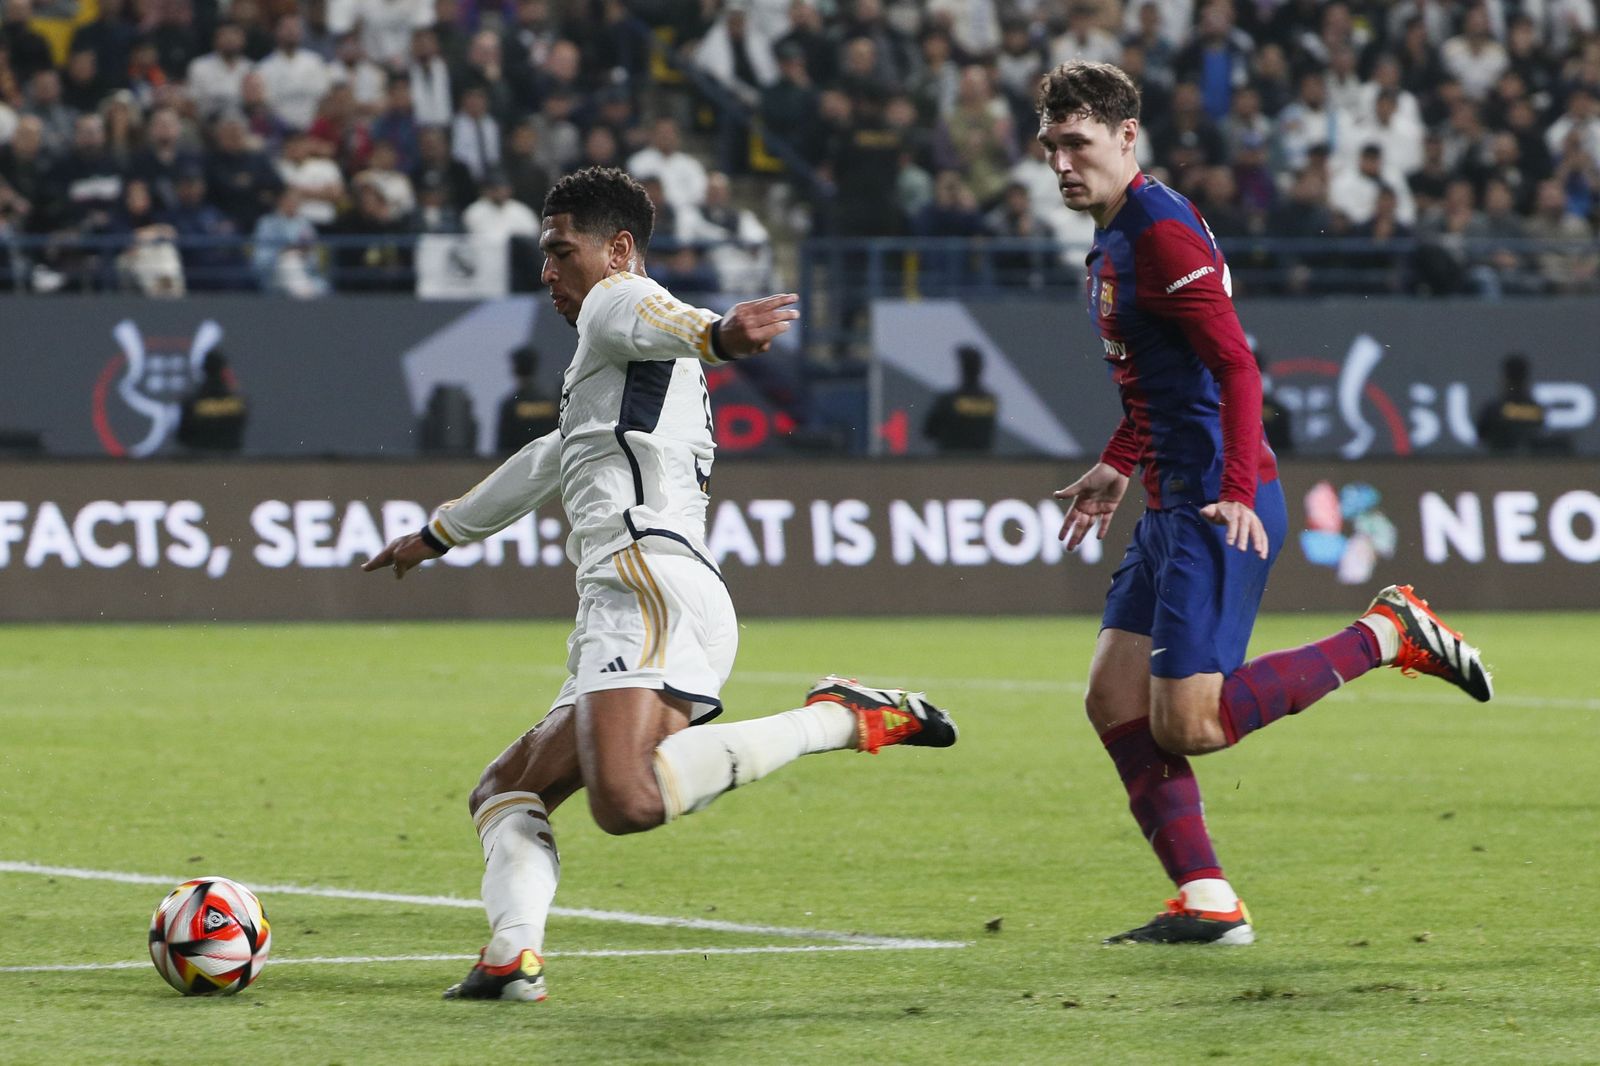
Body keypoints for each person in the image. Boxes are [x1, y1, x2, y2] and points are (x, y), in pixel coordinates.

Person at [362, 167, 958, 1001]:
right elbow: (548, 459)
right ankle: (512, 956)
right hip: (647, 591)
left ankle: (839, 718)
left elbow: (651, 309)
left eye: (559, 251)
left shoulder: (616, 300)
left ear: (617, 249)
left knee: (627, 800)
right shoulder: (607, 370)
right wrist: (439, 535)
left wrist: (719, 334)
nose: (548, 272)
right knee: (505, 790)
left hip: (642, 581)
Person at [1036, 61, 1493, 946]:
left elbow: (1236, 365)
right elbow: (1161, 377)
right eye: (1050, 144)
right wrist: (1119, 462)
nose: (1061, 162)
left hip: (1214, 502)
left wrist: (1238, 488)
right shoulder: (1120, 230)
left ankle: (1386, 633)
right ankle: (1208, 899)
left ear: (1126, 136)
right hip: (1170, 497)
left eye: (1077, 143)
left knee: (1191, 723)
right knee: (1113, 696)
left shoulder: (1158, 235)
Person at [922, 343, 998, 454]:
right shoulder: (990, 400)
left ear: (961, 369)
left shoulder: (948, 400)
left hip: (951, 460)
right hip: (981, 461)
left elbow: (929, 432)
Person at [1475, 352, 1548, 455]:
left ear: (1505, 379)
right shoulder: (1536, 409)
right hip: (1526, 462)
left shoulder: (1493, 410)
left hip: (1500, 461)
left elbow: (1482, 435)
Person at [177, 349, 248, 452]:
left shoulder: (192, 402)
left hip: (199, 459)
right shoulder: (238, 402)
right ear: (223, 372)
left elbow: (183, 436)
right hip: (230, 459)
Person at [495, 344, 558, 455]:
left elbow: (503, 447)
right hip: (545, 459)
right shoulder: (550, 403)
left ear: (515, 370)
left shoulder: (510, 405)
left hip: (519, 461)